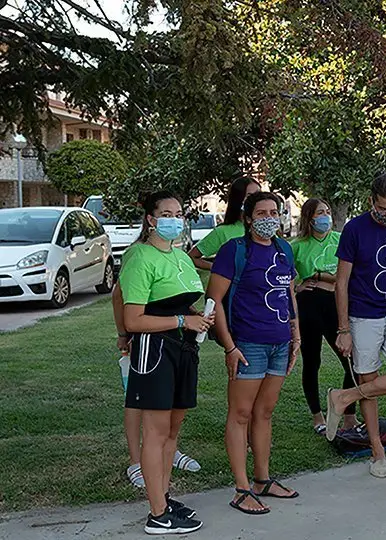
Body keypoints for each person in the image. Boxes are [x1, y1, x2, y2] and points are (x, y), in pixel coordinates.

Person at [118, 191, 214, 534]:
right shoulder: (140, 257)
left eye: (179, 213)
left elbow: (183, 303)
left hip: (184, 350)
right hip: (154, 351)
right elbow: (133, 320)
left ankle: (165, 497)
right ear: (151, 220)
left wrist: (197, 317)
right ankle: (157, 513)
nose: (175, 218)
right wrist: (180, 321)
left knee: (173, 430)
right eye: (167, 213)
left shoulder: (181, 258)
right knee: (156, 434)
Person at [207, 191, 300, 515]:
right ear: (248, 218)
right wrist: (229, 346)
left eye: (273, 211)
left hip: (279, 344)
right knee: (240, 414)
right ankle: (241, 488)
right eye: (261, 213)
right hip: (248, 345)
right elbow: (214, 299)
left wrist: (295, 333)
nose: (269, 218)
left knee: (265, 413)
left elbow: (288, 292)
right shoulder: (235, 250)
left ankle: (263, 480)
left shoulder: (283, 249)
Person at [326, 173, 386, 479]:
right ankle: (377, 451)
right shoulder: (354, 229)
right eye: (383, 208)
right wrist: (343, 329)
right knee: (369, 382)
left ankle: (343, 397)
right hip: (362, 316)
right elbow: (341, 282)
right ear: (371, 201)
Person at [112, 285, 201, 489]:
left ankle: (169, 451)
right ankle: (136, 462)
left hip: (175, 337)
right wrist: (123, 334)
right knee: (137, 398)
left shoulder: (174, 255)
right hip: (145, 335)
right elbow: (119, 294)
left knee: (168, 400)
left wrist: (191, 312)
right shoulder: (138, 255)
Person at [290, 198, 358, 434]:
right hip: (308, 305)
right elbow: (286, 278)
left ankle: (349, 414)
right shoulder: (296, 245)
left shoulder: (341, 240)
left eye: (328, 212)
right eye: (320, 213)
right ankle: (317, 416)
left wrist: (320, 275)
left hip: (335, 304)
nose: (326, 216)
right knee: (312, 362)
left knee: (351, 360)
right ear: (309, 218)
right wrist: (298, 287)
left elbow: (348, 276)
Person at [188, 177, 261, 270]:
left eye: (259, 195)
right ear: (238, 199)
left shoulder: (265, 228)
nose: (256, 200)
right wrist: (220, 269)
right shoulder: (223, 232)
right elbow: (191, 257)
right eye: (250, 196)